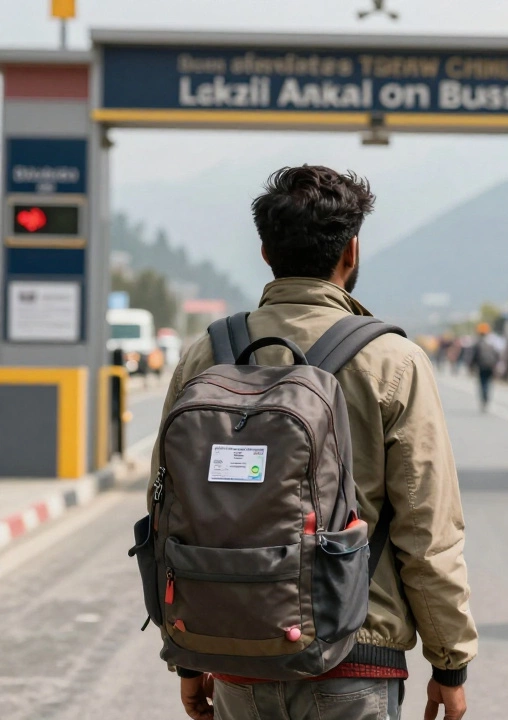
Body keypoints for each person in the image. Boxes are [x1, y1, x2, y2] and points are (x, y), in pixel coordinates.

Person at [154, 166, 475, 720]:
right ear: (351, 251)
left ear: (264, 250)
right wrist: (449, 661)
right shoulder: (392, 361)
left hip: (237, 656)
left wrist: (188, 656)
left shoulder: (205, 355)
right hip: (355, 654)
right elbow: (428, 530)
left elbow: (171, 512)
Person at [470, 322, 500, 413]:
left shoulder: (478, 343)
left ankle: (484, 398)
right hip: (490, 366)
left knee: (483, 383)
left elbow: (474, 356)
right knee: (488, 383)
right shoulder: (492, 342)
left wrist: (471, 366)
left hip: (481, 367)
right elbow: (497, 355)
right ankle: (486, 398)